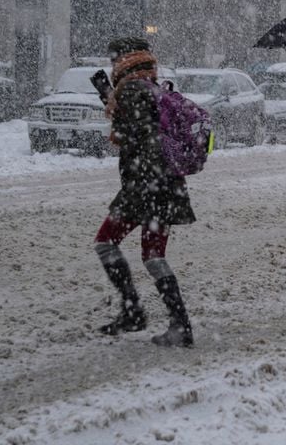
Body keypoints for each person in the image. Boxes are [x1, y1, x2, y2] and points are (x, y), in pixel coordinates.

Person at [90, 37, 196, 347]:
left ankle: (135, 310)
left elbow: (135, 134)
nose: (112, 66)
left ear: (124, 61)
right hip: (165, 185)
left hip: (146, 186)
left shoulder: (133, 91)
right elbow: (141, 128)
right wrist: (110, 98)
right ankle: (178, 323)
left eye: (114, 60)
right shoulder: (151, 88)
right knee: (153, 255)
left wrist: (113, 103)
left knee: (105, 242)